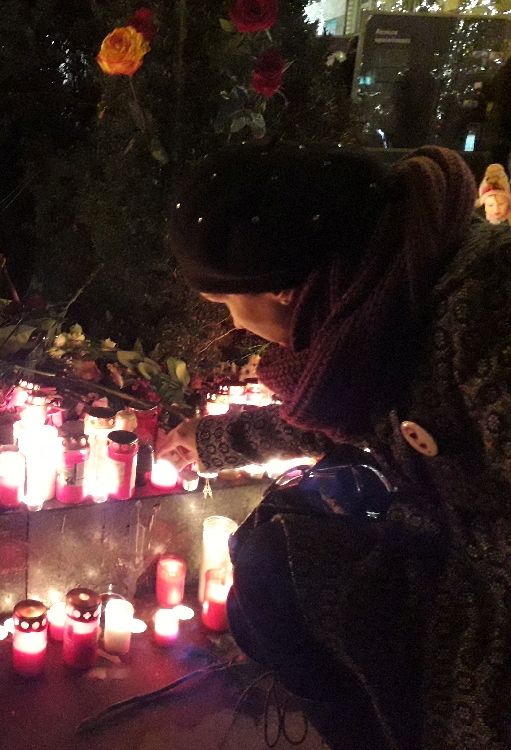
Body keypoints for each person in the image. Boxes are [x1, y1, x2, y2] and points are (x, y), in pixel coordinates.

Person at [163, 143, 511, 750]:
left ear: (279, 288)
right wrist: (214, 439)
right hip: (445, 546)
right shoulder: (377, 302)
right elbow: (342, 408)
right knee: (269, 567)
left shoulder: (483, 305)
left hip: (489, 586)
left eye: (225, 305)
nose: (235, 327)